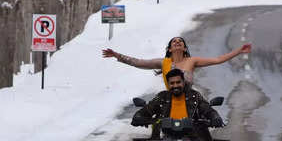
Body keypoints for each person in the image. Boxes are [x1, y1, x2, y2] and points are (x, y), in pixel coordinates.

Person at [103, 36, 252, 89]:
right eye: (174, 42)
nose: (177, 42)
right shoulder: (163, 62)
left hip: (189, 98)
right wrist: (117, 55)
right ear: (169, 48)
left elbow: (218, 60)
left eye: (180, 41)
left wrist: (238, 51)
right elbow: (138, 62)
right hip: (170, 98)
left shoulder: (193, 60)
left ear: (185, 47)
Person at [131, 68, 224, 141]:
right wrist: (139, 117)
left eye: (178, 82)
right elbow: (146, 110)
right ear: (168, 84)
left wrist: (215, 117)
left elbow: (207, 109)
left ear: (183, 82)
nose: (175, 85)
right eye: (172, 83)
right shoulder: (162, 97)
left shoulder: (195, 96)